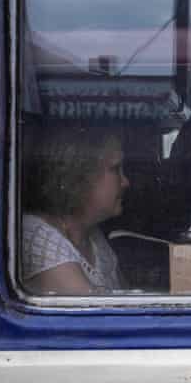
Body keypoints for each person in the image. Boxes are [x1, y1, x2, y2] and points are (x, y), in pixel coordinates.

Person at [21, 124, 128, 295]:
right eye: (115, 169)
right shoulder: (36, 236)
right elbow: (96, 318)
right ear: (80, 173)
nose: (125, 182)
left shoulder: (94, 238)